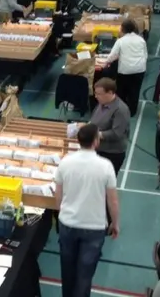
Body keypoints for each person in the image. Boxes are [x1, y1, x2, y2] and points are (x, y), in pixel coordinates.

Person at [54, 123, 120, 297]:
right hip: (94, 227)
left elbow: (58, 196)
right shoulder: (105, 166)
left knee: (67, 272)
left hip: (67, 224)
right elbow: (112, 200)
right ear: (96, 142)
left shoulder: (65, 162)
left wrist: (62, 213)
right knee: (84, 275)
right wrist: (115, 223)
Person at [104, 19, 148, 116]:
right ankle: (132, 112)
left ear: (123, 29)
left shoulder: (121, 41)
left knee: (122, 91)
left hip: (125, 71)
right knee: (135, 91)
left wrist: (106, 62)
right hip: (139, 70)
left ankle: (122, 111)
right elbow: (145, 55)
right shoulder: (141, 40)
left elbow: (112, 55)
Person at [90, 78, 130, 176]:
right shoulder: (101, 103)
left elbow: (116, 134)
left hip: (111, 154)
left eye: (99, 94)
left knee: (105, 184)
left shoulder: (120, 110)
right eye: (95, 93)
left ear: (110, 93)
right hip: (98, 149)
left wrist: (94, 134)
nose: (96, 96)